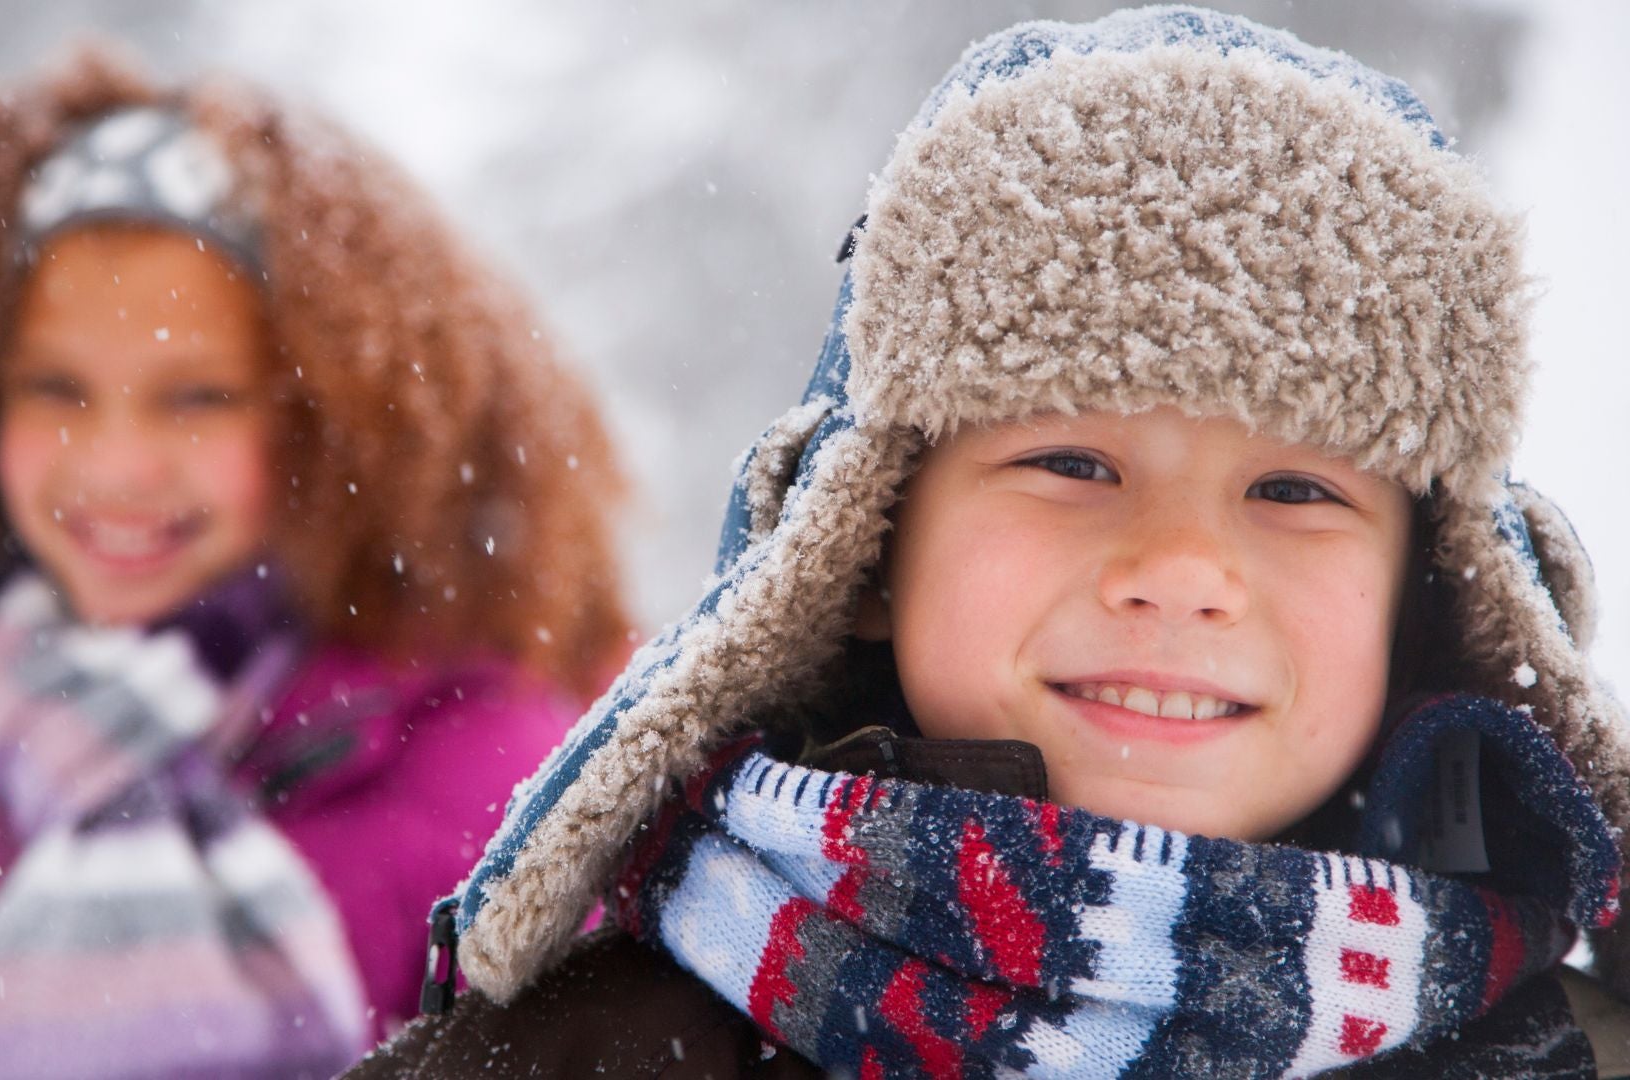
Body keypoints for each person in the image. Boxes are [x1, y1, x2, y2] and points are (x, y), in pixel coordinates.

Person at [347, 7, 1630, 1078]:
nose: (1183, 569)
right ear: (861, 554)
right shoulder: (587, 1053)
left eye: (1295, 491)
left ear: (1427, 595)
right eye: (1072, 465)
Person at [0, 44, 630, 1080]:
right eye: (57, 388)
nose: (116, 465)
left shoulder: (503, 789)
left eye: (196, 397)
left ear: (330, 428)